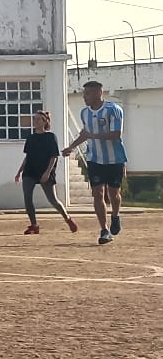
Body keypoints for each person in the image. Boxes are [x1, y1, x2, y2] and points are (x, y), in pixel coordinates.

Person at [62, 81, 128, 245]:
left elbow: (116, 134)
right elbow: (86, 134)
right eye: (84, 94)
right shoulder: (84, 113)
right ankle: (104, 230)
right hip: (94, 159)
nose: (84, 97)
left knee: (113, 194)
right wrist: (71, 147)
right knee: (97, 193)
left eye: (88, 94)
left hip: (114, 159)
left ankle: (115, 215)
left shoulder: (113, 109)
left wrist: (93, 135)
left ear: (99, 93)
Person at [16, 110, 78, 235]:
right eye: (34, 119)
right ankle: (34, 225)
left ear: (45, 121)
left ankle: (67, 218)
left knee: (53, 200)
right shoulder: (31, 137)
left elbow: (54, 156)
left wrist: (47, 172)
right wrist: (19, 172)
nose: (35, 121)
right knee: (27, 198)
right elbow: (27, 156)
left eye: (39, 119)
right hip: (30, 171)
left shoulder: (50, 137)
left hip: (45, 171)